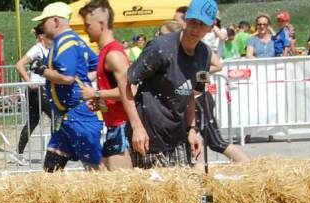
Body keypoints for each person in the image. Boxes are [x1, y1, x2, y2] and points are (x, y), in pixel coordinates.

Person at [125, 0, 215, 168]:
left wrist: (192, 129)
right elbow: (127, 83)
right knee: (153, 192)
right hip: (148, 134)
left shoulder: (205, 55)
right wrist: (136, 127)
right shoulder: (160, 47)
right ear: (186, 19)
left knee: (184, 189)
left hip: (178, 134)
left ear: (211, 27)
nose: (196, 28)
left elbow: (192, 93)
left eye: (202, 24)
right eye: (193, 21)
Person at [32, 2, 103, 172]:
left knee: (95, 170)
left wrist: (42, 70)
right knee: (51, 168)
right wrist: (84, 80)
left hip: (78, 116)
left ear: (56, 21)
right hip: (68, 116)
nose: (41, 26)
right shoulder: (77, 41)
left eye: (44, 21)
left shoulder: (66, 43)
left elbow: (67, 77)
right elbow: (98, 65)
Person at [78, 0, 141, 170]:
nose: (85, 29)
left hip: (122, 126)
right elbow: (117, 91)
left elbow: (131, 90)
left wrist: (96, 94)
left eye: (87, 25)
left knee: (122, 189)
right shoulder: (105, 53)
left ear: (101, 24)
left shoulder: (113, 54)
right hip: (115, 126)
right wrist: (101, 103)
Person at [12, 26, 52, 164]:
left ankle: (18, 153)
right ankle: (55, 152)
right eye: (49, 35)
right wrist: (29, 82)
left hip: (43, 89)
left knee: (33, 121)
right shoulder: (36, 49)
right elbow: (19, 65)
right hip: (37, 90)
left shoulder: (48, 50)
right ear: (41, 36)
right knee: (55, 117)